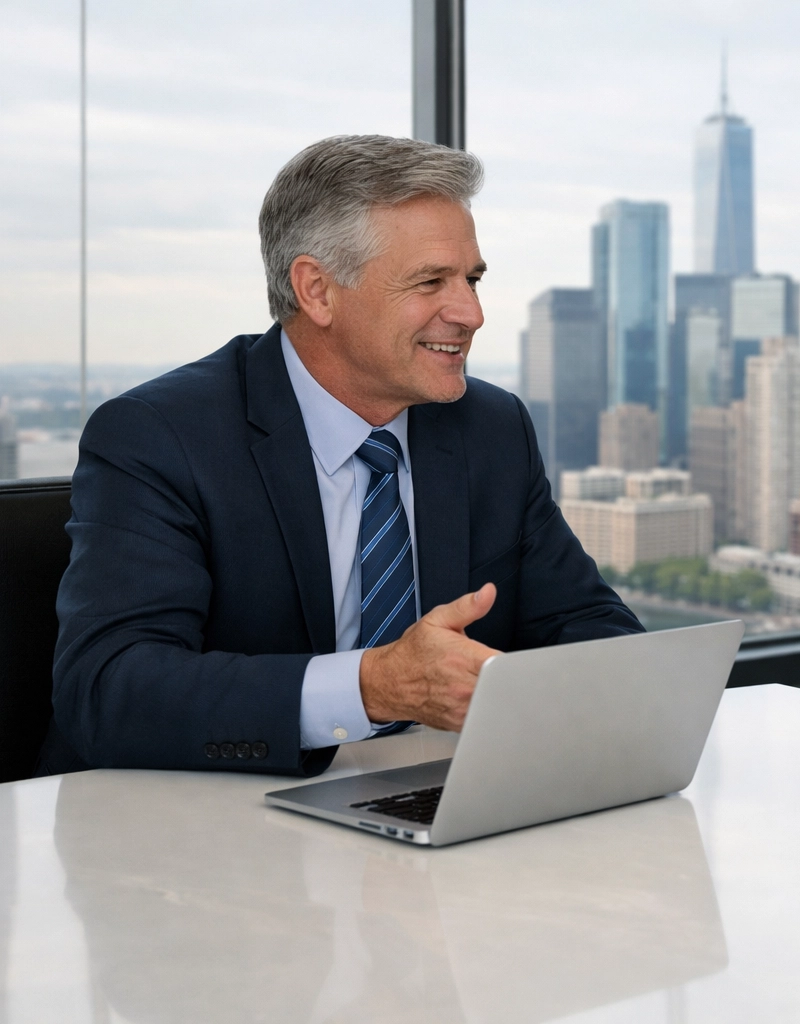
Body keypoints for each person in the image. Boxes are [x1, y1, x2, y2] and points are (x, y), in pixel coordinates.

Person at [42, 134, 642, 777]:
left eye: (471, 279)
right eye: (430, 281)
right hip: (200, 833)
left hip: (434, 801)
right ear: (318, 291)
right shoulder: (159, 436)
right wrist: (370, 687)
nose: (472, 312)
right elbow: (109, 689)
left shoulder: (491, 428)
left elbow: (592, 631)